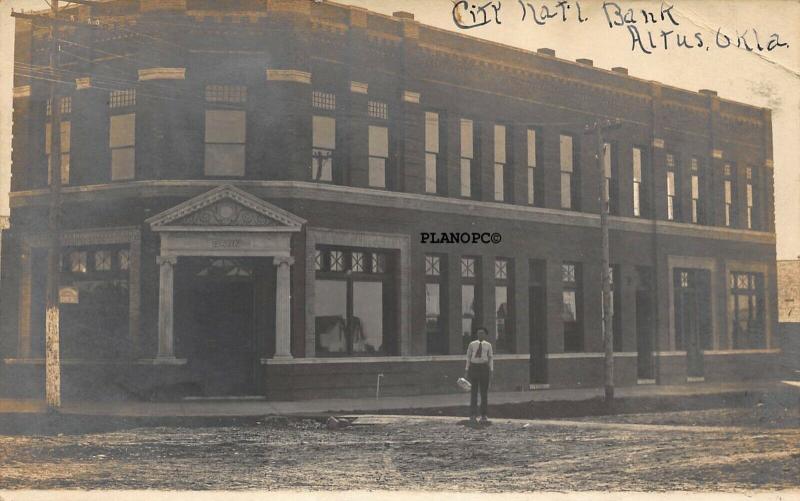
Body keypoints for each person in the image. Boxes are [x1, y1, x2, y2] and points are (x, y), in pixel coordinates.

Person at [464, 326, 493, 423]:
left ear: (485, 334)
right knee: (474, 392)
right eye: (478, 333)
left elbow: (490, 358)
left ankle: (484, 415)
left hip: (484, 368)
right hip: (474, 367)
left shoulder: (488, 345)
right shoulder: (472, 344)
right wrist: (467, 369)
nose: (480, 335)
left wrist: (491, 370)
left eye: (482, 333)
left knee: (484, 393)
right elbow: (468, 357)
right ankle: (473, 415)